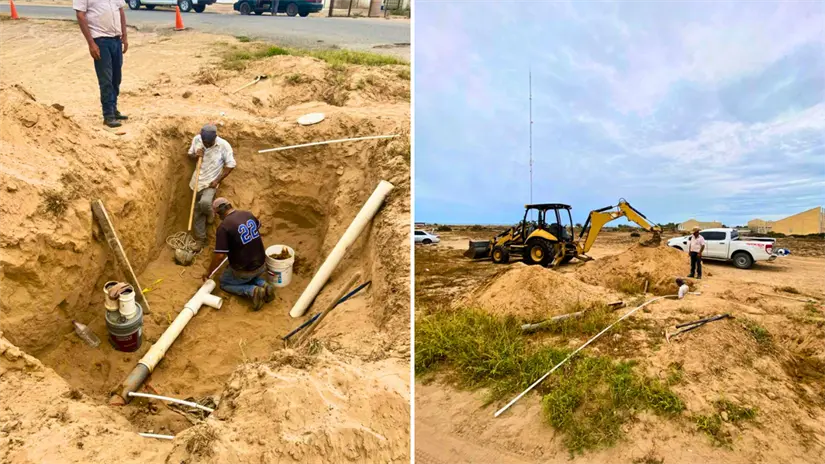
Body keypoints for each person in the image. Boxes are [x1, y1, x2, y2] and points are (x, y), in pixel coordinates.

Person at [203, 198, 276, 311]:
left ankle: (252, 291)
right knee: (247, 275)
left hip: (244, 271)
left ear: (220, 213)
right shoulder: (247, 214)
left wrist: (209, 272)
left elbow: (220, 256)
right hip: (262, 264)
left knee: (224, 282)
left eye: (218, 214)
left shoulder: (224, 227)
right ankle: (264, 285)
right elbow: (255, 229)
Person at [73, 0, 129, 128]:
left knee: (116, 78)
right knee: (106, 80)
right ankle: (108, 115)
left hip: (116, 40)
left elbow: (121, 11)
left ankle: (114, 109)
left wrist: (124, 36)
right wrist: (91, 43)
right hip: (100, 41)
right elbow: (80, 15)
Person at [188, 124, 236, 250]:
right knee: (197, 211)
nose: (206, 144)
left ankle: (210, 214)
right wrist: (195, 155)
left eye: (209, 142)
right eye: (205, 142)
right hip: (197, 181)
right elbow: (190, 154)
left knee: (204, 203)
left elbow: (230, 165)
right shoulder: (197, 140)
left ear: (215, 138)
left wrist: (217, 180)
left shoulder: (223, 146)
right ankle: (201, 240)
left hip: (210, 183)